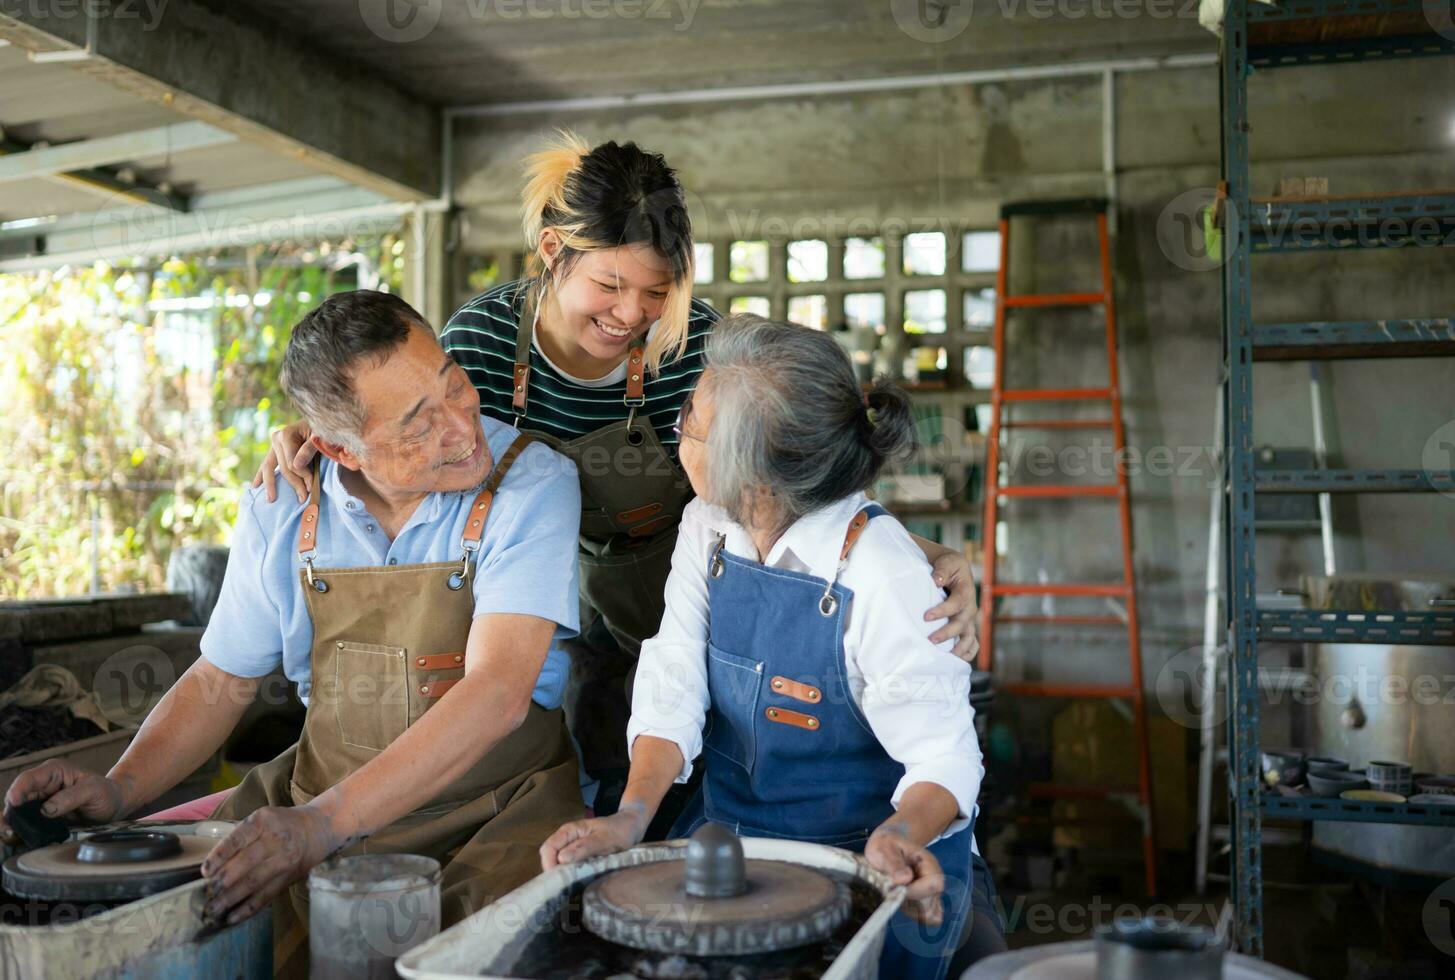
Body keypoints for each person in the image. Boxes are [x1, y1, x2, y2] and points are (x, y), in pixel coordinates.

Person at [254, 133, 983, 820]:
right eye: (608, 283)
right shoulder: (480, 340)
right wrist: (327, 437)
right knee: (578, 764)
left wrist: (908, 552)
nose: (632, 313)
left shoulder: (693, 344)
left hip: (687, 580)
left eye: (656, 289)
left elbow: (786, 476)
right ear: (551, 252)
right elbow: (406, 430)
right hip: (544, 587)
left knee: (709, 756)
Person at [2, 291, 586, 972]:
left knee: (484, 955)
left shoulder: (530, 485)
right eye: (416, 425)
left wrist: (323, 827)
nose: (461, 428)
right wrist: (119, 790)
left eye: (453, 386)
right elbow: (223, 678)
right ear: (338, 447)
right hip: (314, 810)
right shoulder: (284, 505)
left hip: (496, 817)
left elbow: (496, 693)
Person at [540, 314, 1008, 980]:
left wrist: (900, 835)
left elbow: (943, 754)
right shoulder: (709, 526)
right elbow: (672, 682)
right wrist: (631, 816)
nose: (678, 431)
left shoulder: (881, 571)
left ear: (753, 473)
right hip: (734, 838)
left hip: (866, 855)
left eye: (693, 424)